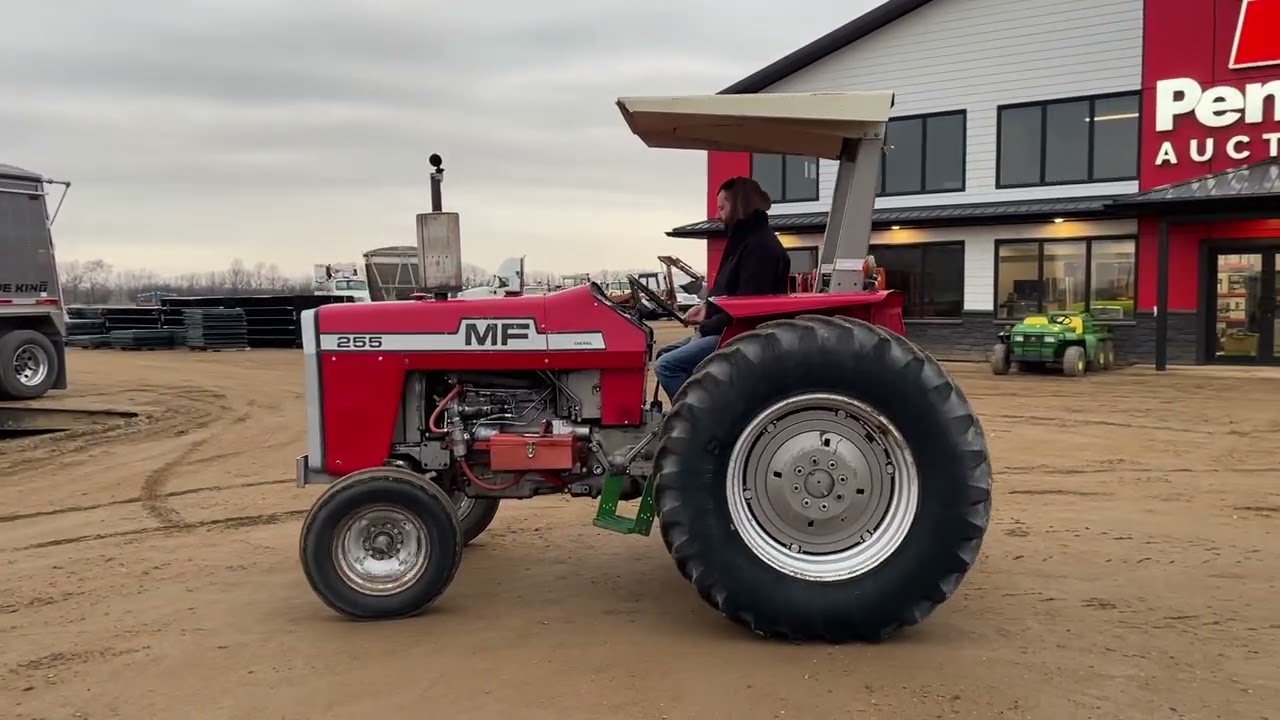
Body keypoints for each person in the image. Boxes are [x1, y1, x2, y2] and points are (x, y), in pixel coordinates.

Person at [653, 176, 790, 402]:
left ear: (739, 205)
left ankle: (697, 422)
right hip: (722, 328)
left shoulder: (760, 249)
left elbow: (747, 310)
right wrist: (706, 308)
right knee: (664, 353)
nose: (717, 215)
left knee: (667, 366)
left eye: (722, 207)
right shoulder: (743, 242)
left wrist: (706, 325)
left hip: (739, 335)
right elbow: (728, 293)